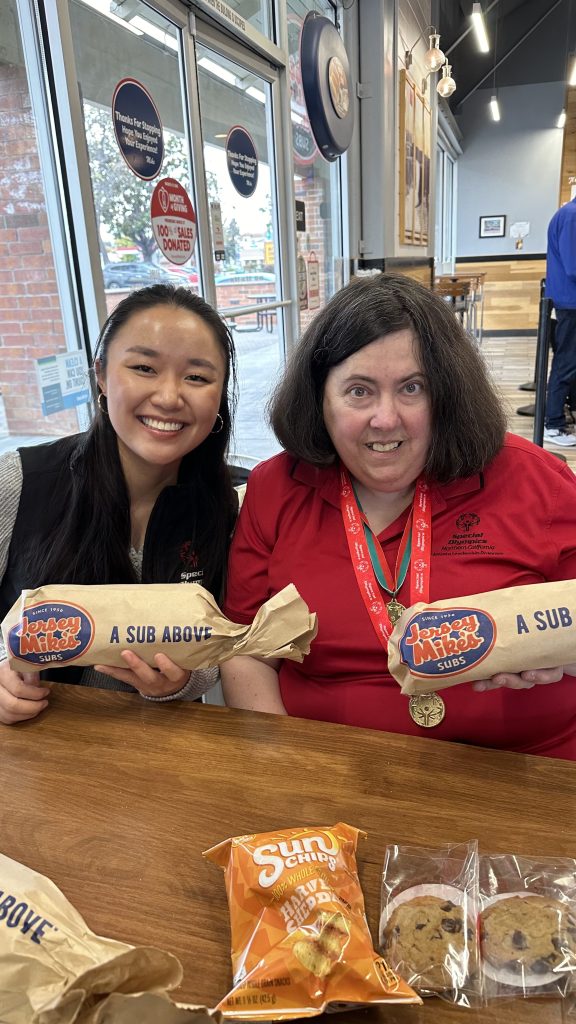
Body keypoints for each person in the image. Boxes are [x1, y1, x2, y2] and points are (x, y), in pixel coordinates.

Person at [221, 273, 576, 760]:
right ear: (319, 400)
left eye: (412, 388)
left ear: (447, 395)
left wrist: (563, 659)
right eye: (359, 391)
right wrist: (282, 766)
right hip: (332, 771)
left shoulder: (536, 481)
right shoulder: (275, 489)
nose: (386, 419)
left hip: (524, 771)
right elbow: (246, 648)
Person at [0, 284, 237, 725]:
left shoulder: (225, 505)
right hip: (32, 750)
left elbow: (219, 646)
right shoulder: (21, 481)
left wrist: (182, 683)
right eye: (144, 367)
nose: (169, 396)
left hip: (154, 752)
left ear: (219, 395)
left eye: (197, 377)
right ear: (103, 376)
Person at [544, 196, 576, 447]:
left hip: (568, 302)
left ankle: (560, 416)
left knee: (568, 361)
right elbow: (573, 267)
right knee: (566, 362)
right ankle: (553, 424)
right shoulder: (571, 215)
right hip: (571, 303)